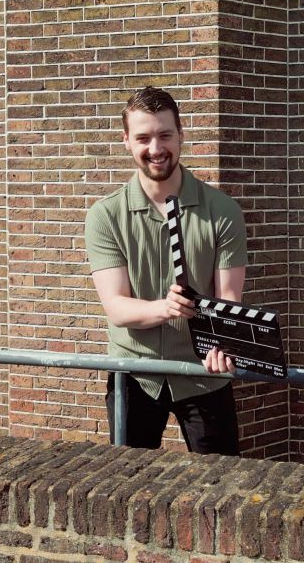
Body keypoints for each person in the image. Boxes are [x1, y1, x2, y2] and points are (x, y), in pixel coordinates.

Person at [86, 86, 244, 455]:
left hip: (204, 376)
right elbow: (117, 308)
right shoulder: (105, 216)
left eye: (165, 135)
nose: (156, 148)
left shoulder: (222, 211)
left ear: (181, 135)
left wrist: (222, 341)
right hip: (134, 375)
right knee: (128, 486)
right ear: (126, 141)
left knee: (221, 486)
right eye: (143, 137)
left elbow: (229, 300)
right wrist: (166, 308)